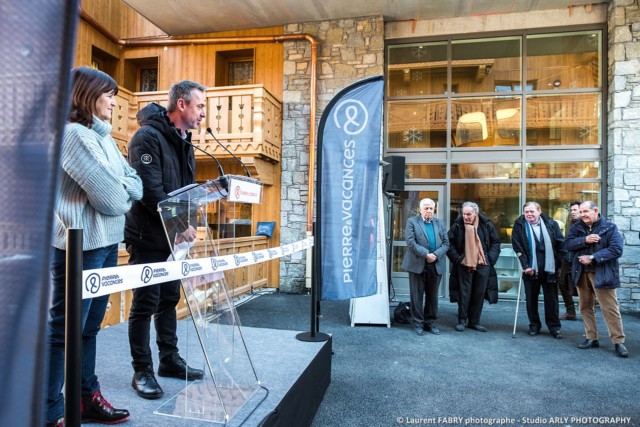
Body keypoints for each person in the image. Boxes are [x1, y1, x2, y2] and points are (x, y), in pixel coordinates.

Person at [47, 66, 143, 427]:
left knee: (88, 329)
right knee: (63, 329)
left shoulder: (102, 137)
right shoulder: (73, 135)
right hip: (79, 244)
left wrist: (121, 183)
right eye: (109, 94)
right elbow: (114, 201)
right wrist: (121, 185)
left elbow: (135, 184)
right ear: (87, 95)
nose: (115, 102)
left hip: (106, 242)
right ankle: (49, 408)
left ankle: (86, 397)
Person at [125, 80, 207, 399]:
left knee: (169, 299)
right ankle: (142, 370)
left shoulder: (185, 140)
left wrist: (188, 223)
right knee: (145, 304)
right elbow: (150, 192)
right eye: (199, 106)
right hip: (148, 237)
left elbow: (188, 192)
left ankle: (169, 360)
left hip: (174, 241)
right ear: (182, 105)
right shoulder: (147, 137)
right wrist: (178, 223)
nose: (203, 113)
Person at [565, 201, 628, 358]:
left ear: (595, 210)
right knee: (585, 307)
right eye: (581, 212)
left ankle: (618, 341)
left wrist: (593, 257)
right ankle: (591, 338)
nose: (583, 214)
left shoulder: (610, 227)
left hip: (603, 273)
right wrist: (585, 240)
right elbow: (567, 245)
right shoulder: (576, 227)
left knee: (610, 308)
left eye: (586, 211)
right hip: (581, 273)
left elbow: (616, 249)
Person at [511, 202, 565, 339]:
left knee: (551, 300)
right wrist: (525, 266)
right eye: (526, 212)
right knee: (531, 299)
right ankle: (534, 325)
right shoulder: (519, 226)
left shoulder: (552, 224)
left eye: (532, 211)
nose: (529, 214)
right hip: (531, 268)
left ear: (539, 211)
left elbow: (560, 244)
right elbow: (518, 247)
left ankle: (554, 327)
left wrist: (558, 264)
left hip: (549, 268)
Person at [447, 202, 501, 332]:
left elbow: (495, 242)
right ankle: (462, 320)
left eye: (469, 214)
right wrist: (459, 259)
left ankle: (474, 321)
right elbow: (449, 243)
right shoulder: (458, 225)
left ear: (475, 213)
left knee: (479, 294)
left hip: (483, 264)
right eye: (464, 214)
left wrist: (489, 259)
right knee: (463, 293)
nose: (466, 216)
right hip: (464, 264)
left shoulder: (486, 224)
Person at [401, 198, 449, 335]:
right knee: (416, 296)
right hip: (417, 264)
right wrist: (426, 254)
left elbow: (446, 243)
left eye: (431, 208)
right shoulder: (412, 222)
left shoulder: (440, 223)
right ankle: (418, 323)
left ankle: (430, 323)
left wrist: (435, 255)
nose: (429, 211)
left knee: (432, 297)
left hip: (435, 264)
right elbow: (410, 242)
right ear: (420, 209)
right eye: (426, 208)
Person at [558, 201, 581, 320]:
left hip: (580, 260)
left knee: (583, 286)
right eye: (571, 210)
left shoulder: (585, 225)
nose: (572, 212)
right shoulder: (570, 224)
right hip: (567, 258)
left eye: (575, 210)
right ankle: (571, 311)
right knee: (562, 283)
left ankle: (587, 312)